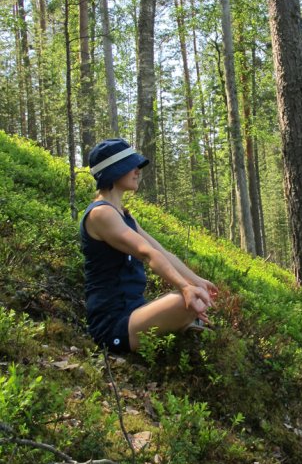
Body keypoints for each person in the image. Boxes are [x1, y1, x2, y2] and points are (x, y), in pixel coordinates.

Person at [80, 138, 217, 353]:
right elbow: (147, 253)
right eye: (130, 166)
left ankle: (184, 326)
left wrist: (196, 281)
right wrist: (184, 287)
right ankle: (183, 325)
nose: (137, 171)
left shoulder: (124, 216)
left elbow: (163, 252)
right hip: (113, 324)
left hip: (135, 310)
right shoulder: (101, 214)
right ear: (113, 172)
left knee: (196, 295)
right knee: (185, 301)